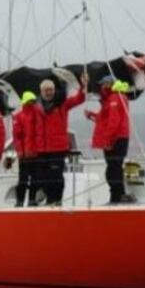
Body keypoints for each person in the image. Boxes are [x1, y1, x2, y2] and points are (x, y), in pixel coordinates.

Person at [36, 74, 87, 205]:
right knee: (42, 176)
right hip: (41, 148)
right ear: (41, 91)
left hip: (57, 147)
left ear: (54, 90)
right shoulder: (36, 107)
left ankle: (57, 200)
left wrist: (83, 86)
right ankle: (48, 199)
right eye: (46, 90)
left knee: (56, 175)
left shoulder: (62, 104)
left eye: (50, 90)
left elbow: (79, 99)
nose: (48, 92)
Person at [85, 77, 131, 203]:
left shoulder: (114, 98)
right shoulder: (113, 99)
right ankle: (118, 195)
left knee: (113, 169)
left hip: (116, 139)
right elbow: (104, 119)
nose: (101, 87)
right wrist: (91, 115)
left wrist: (108, 140)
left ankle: (117, 196)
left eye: (103, 84)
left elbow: (113, 122)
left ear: (108, 85)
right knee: (114, 167)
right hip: (119, 138)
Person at [12, 90, 44, 207]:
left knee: (35, 178)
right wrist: (20, 151)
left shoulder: (39, 114)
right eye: (31, 101)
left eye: (33, 101)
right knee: (23, 179)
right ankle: (20, 201)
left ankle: (31, 200)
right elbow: (17, 136)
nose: (32, 103)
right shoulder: (19, 116)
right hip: (26, 154)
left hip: (36, 153)